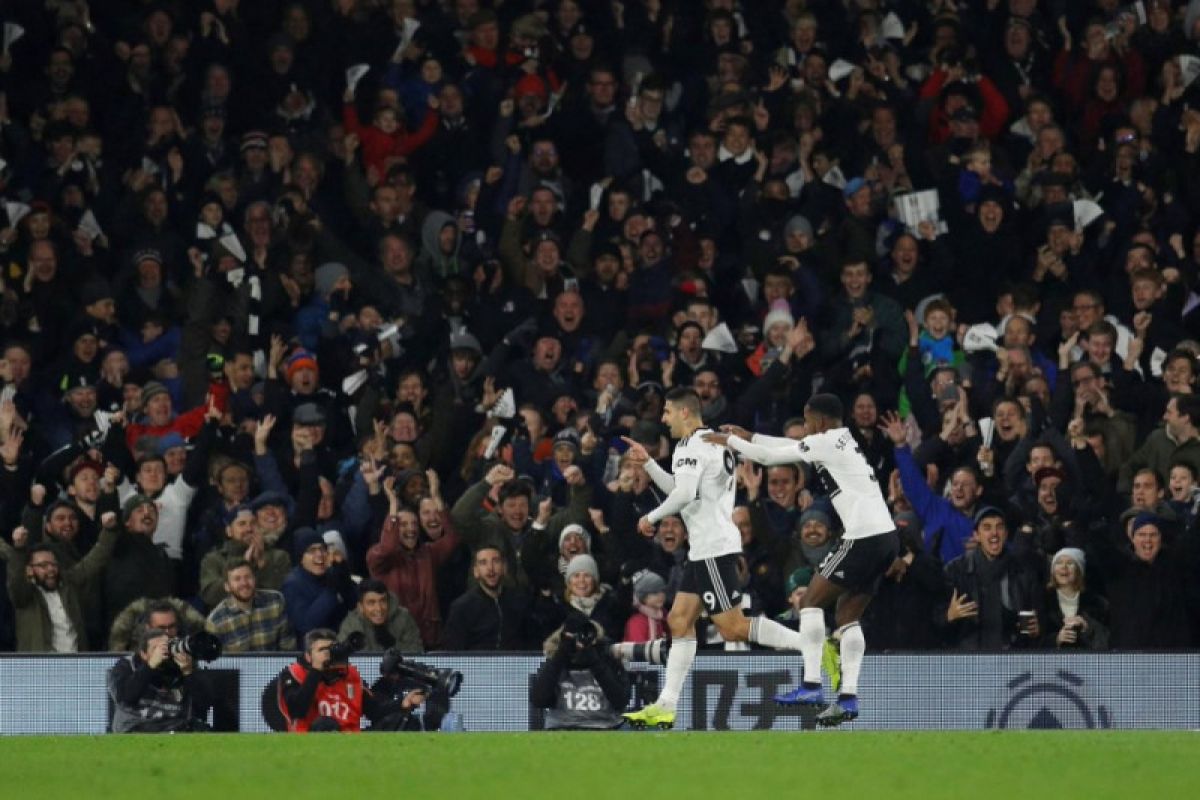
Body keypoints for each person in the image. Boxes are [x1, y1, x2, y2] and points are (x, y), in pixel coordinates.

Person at [619, 387, 809, 730]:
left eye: (667, 412)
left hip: (713, 549)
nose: (663, 419)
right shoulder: (711, 442)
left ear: (686, 413)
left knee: (733, 627)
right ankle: (666, 705)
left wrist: (651, 517)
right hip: (705, 549)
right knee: (679, 621)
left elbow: (684, 494)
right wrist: (648, 463)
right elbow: (684, 490)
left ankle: (811, 644)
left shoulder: (692, 445)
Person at [705, 393, 899, 725]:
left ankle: (811, 686)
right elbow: (784, 444)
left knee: (810, 602)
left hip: (863, 537)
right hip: (886, 539)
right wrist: (748, 435)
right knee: (846, 616)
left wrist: (732, 441)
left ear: (820, 421)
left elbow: (769, 456)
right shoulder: (840, 440)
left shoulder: (826, 442)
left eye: (807, 421)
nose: (805, 428)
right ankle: (848, 698)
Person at [530, 612, 630, 730]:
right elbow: (539, 700)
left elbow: (620, 701)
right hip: (561, 727)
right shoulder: (555, 661)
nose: (580, 643)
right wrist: (561, 655)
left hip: (605, 727)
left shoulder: (608, 659)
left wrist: (595, 661)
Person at [277, 628, 386, 732]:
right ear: (308, 656)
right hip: (310, 741)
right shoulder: (294, 673)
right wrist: (316, 670)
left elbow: (376, 712)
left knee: (395, 719)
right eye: (322, 650)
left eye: (331, 649)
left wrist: (400, 703)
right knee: (325, 725)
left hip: (350, 741)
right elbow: (297, 711)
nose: (327, 654)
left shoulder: (349, 674)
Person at [107, 623, 210, 733]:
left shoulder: (182, 667)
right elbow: (125, 698)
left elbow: (202, 708)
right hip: (135, 728)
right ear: (143, 654)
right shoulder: (126, 666)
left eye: (166, 647)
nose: (162, 652)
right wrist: (150, 666)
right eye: (156, 649)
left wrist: (188, 673)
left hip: (174, 730)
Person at [205, 559, 295, 653]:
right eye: (237, 579)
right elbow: (217, 663)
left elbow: (288, 647)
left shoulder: (275, 602)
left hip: (276, 666)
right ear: (227, 587)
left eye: (248, 577)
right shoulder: (216, 621)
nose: (244, 583)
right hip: (236, 668)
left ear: (254, 579)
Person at [337, 579, 424, 653]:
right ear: (361, 607)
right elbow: (344, 660)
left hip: (399, 672)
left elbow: (417, 652)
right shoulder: (350, 625)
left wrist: (393, 645)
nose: (379, 608)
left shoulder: (403, 618)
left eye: (383, 601)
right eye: (371, 603)